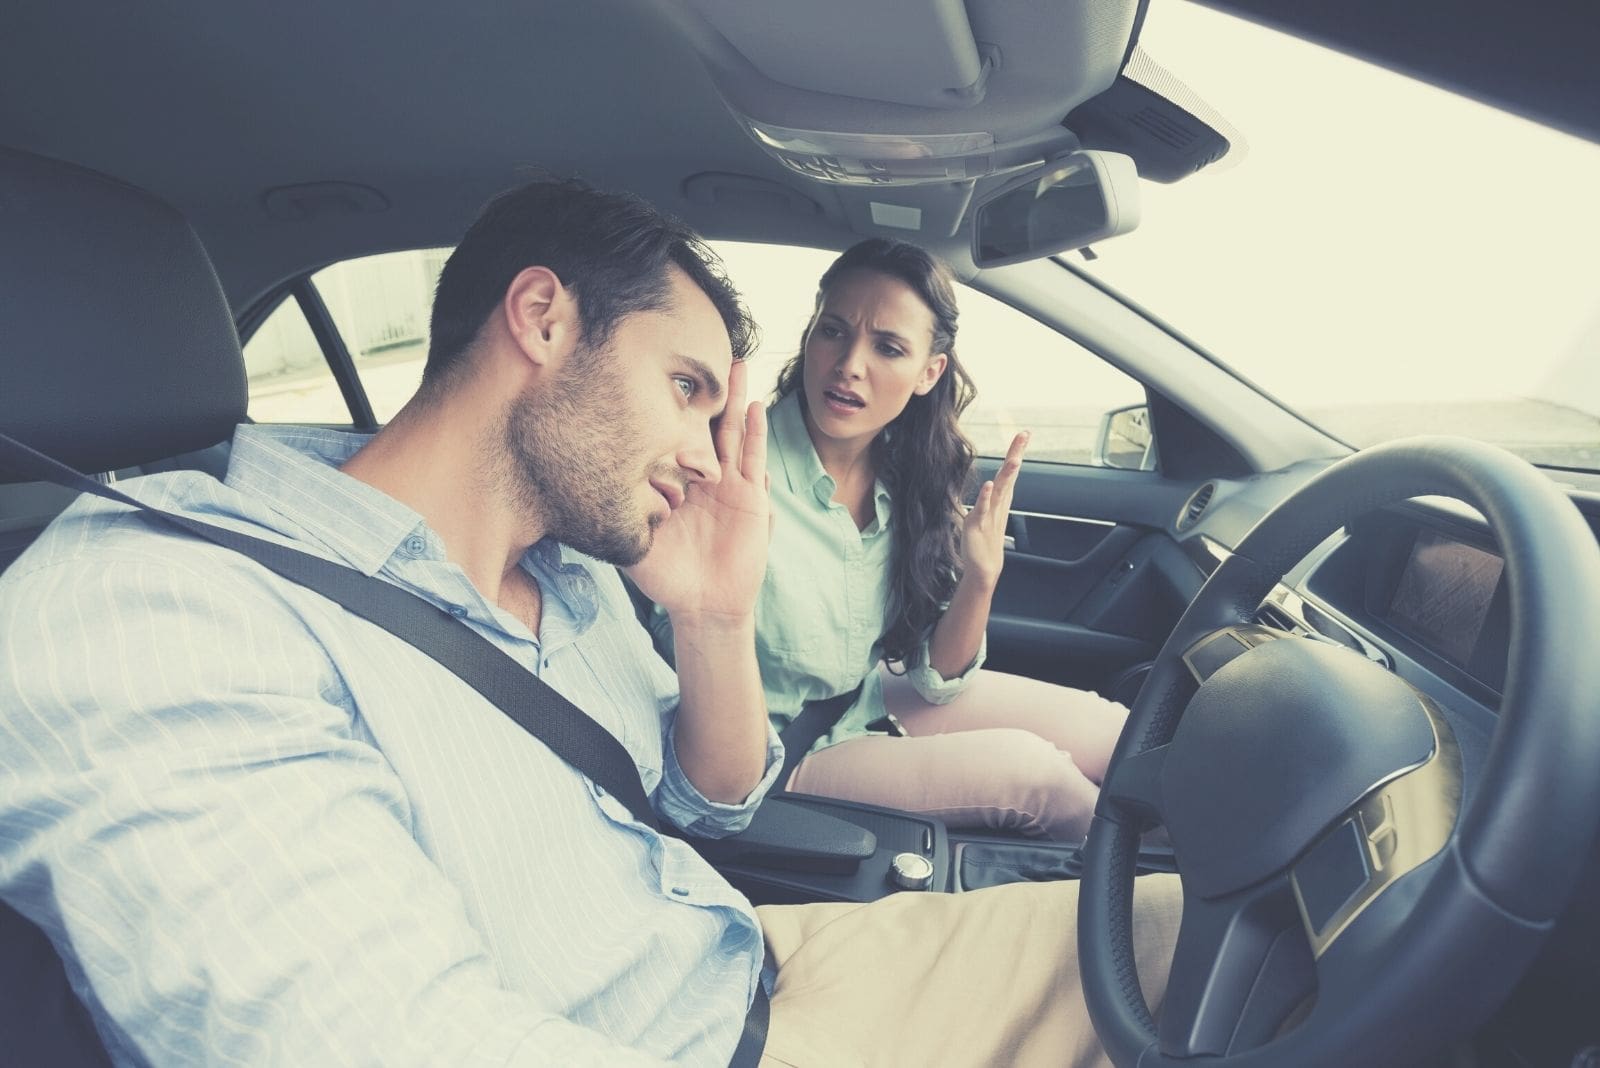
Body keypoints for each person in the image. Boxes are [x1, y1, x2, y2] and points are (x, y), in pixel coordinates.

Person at [0, 177, 1179, 1067]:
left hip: (759, 965)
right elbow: (402, 1042)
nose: (706, 453)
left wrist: (716, 620)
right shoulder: (150, 610)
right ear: (544, 320)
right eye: (686, 390)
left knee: (1233, 934)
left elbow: (708, 804)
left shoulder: (569, 568)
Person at [653, 238, 1130, 842]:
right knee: (1039, 779)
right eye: (832, 331)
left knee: (1115, 733)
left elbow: (934, 677)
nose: (849, 363)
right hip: (774, 751)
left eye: (888, 347)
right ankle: (1156, 907)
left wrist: (981, 577)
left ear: (930, 372)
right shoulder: (730, 472)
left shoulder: (909, 478)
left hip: (867, 698)